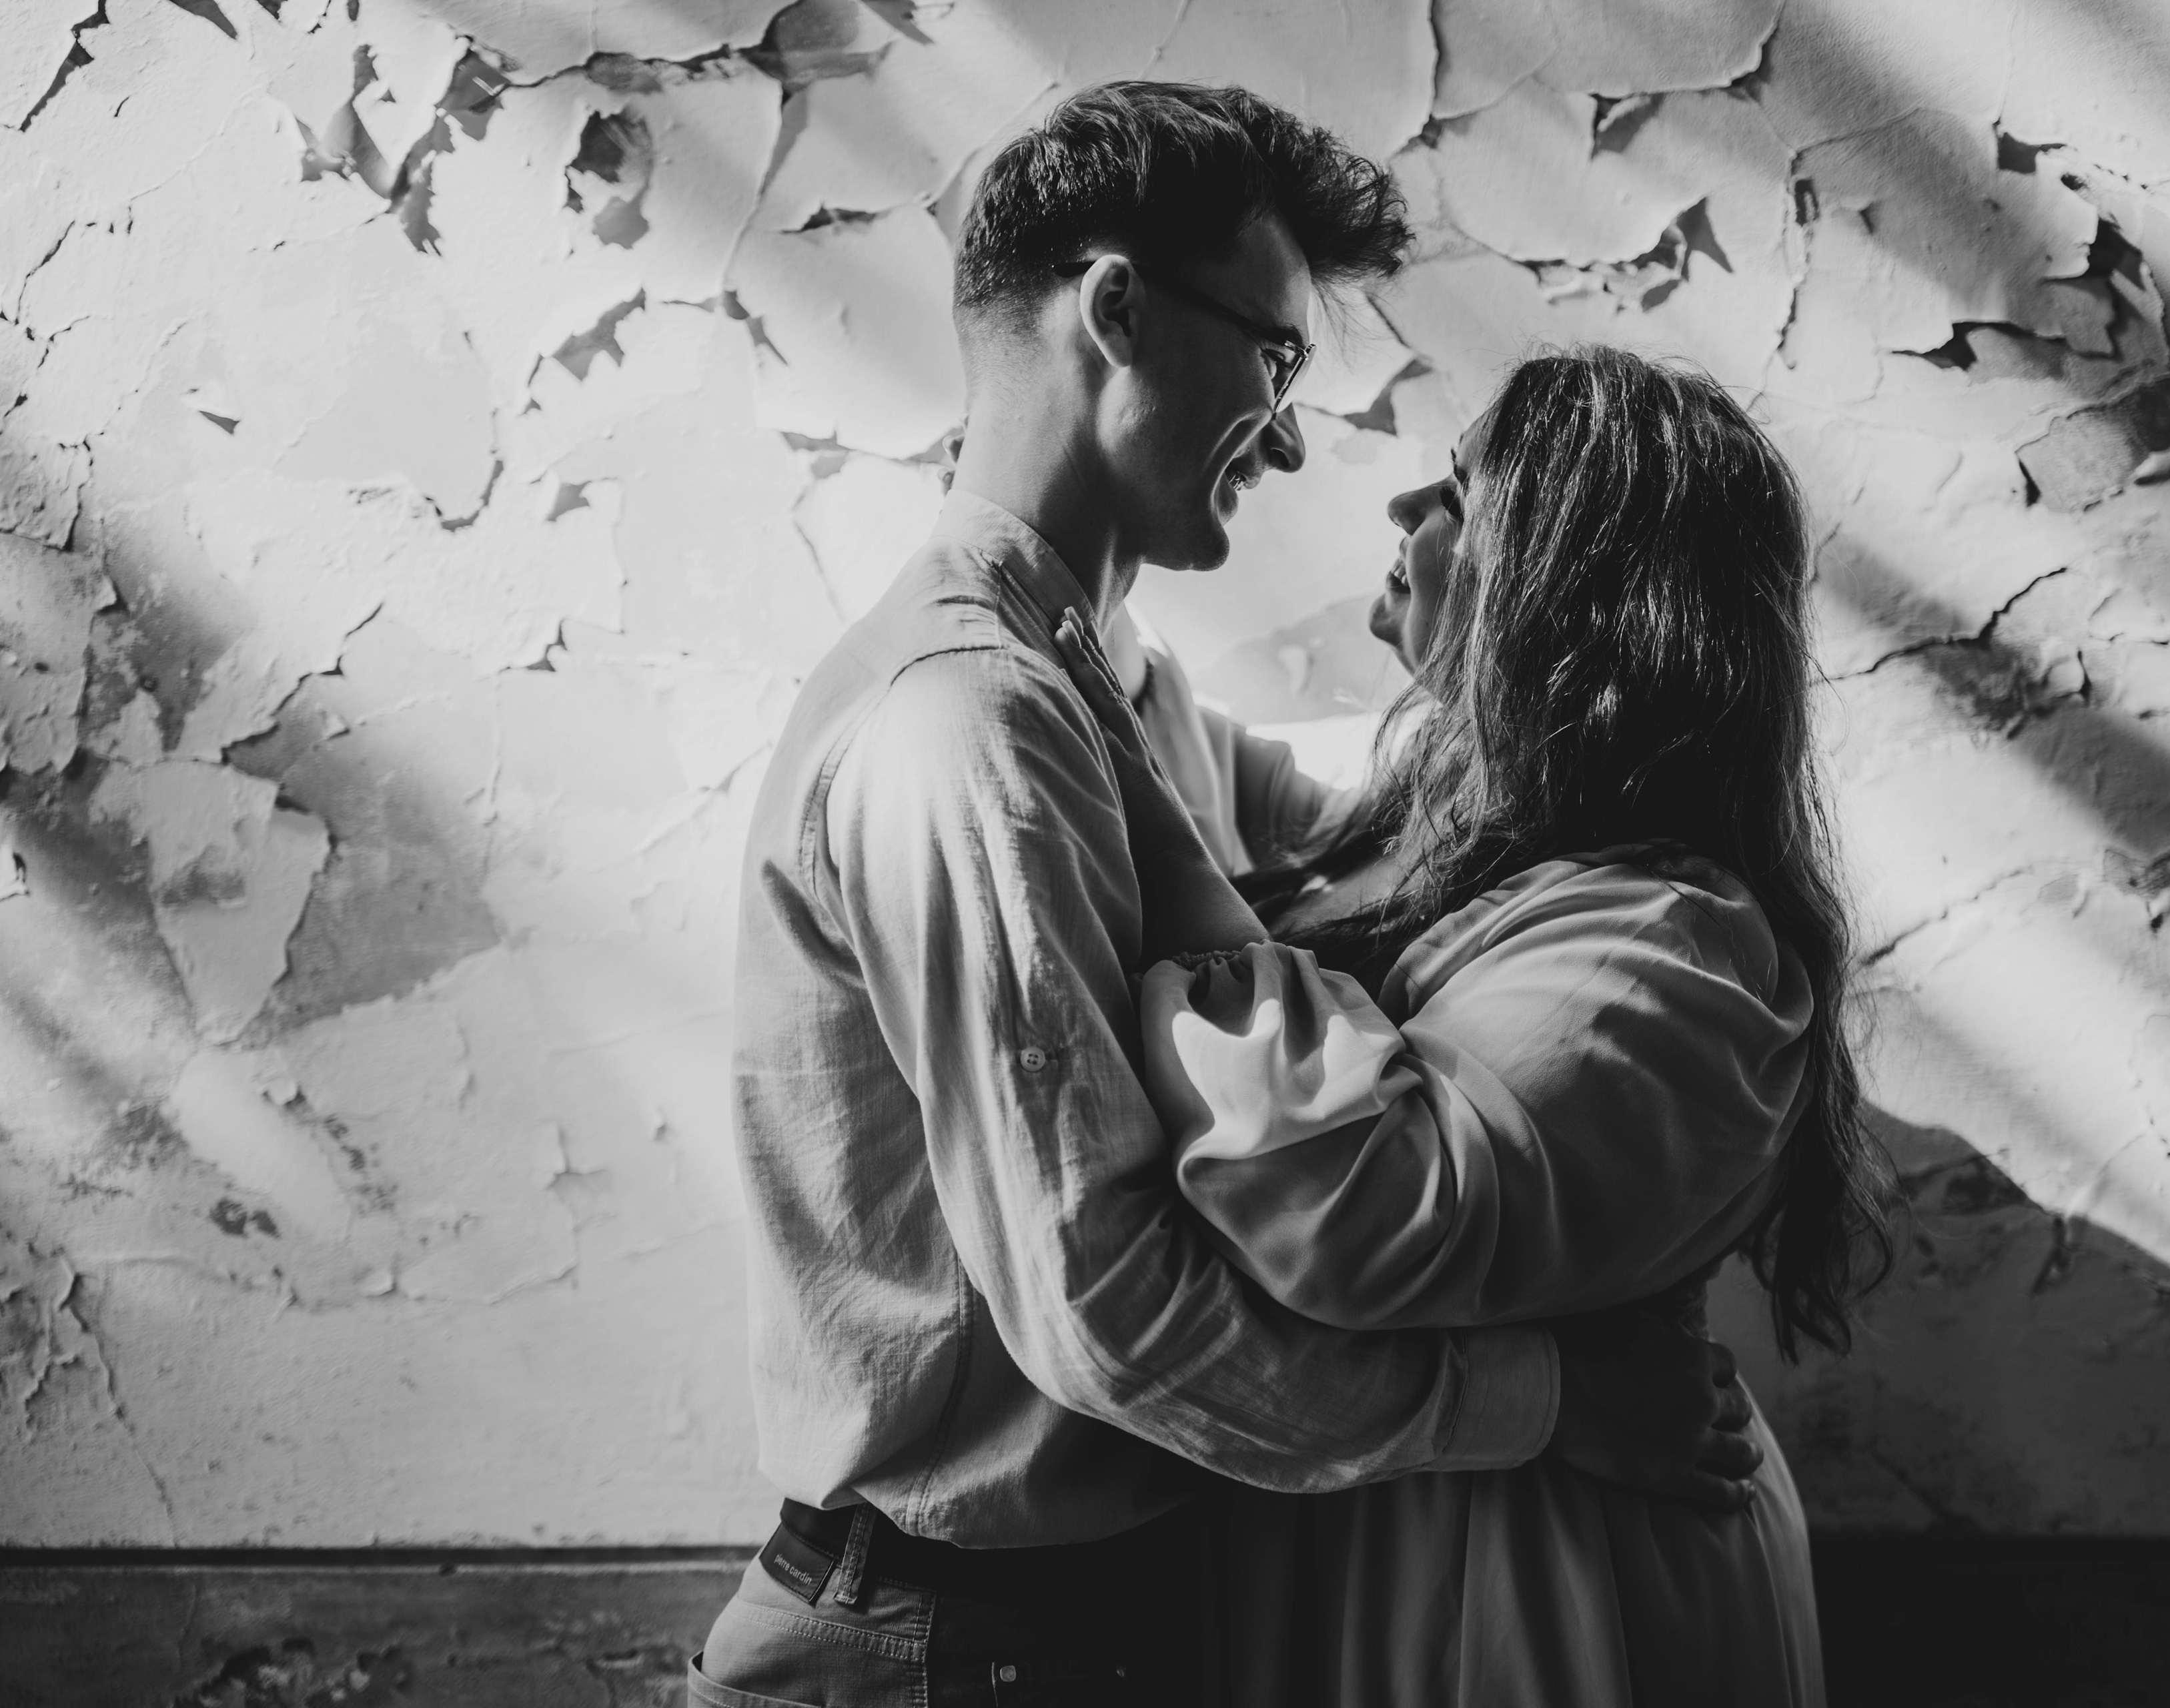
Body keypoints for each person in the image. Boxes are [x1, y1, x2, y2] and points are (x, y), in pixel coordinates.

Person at [692, 86, 1762, 1708]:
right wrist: (1544, 1399)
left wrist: (1567, 663)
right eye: (1274, 358)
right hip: (954, 1642)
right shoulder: (968, 725)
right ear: (1117, 311)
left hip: (1078, 1621)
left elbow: (1387, 859)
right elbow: (1106, 1312)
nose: (1291, 433)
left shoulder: (1115, 693)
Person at [1054, 345, 1894, 1707]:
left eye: (1459, 489)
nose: (1404, 509)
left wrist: (1142, 820)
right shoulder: (1458, 834)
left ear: (1570, 586)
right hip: (1420, 1543)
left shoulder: (1676, 949)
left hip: (1543, 1586)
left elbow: (1364, 1206)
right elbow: (1209, 791)